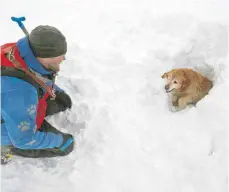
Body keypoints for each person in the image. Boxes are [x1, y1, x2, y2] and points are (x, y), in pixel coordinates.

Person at [1, 25, 74, 164]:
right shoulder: (19, 93)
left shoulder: (17, 52)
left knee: (62, 102)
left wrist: (55, 90)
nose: (60, 63)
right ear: (40, 57)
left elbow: (36, 75)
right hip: (8, 129)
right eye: (55, 61)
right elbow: (24, 139)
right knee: (66, 146)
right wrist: (60, 141)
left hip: (12, 106)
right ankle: (5, 149)